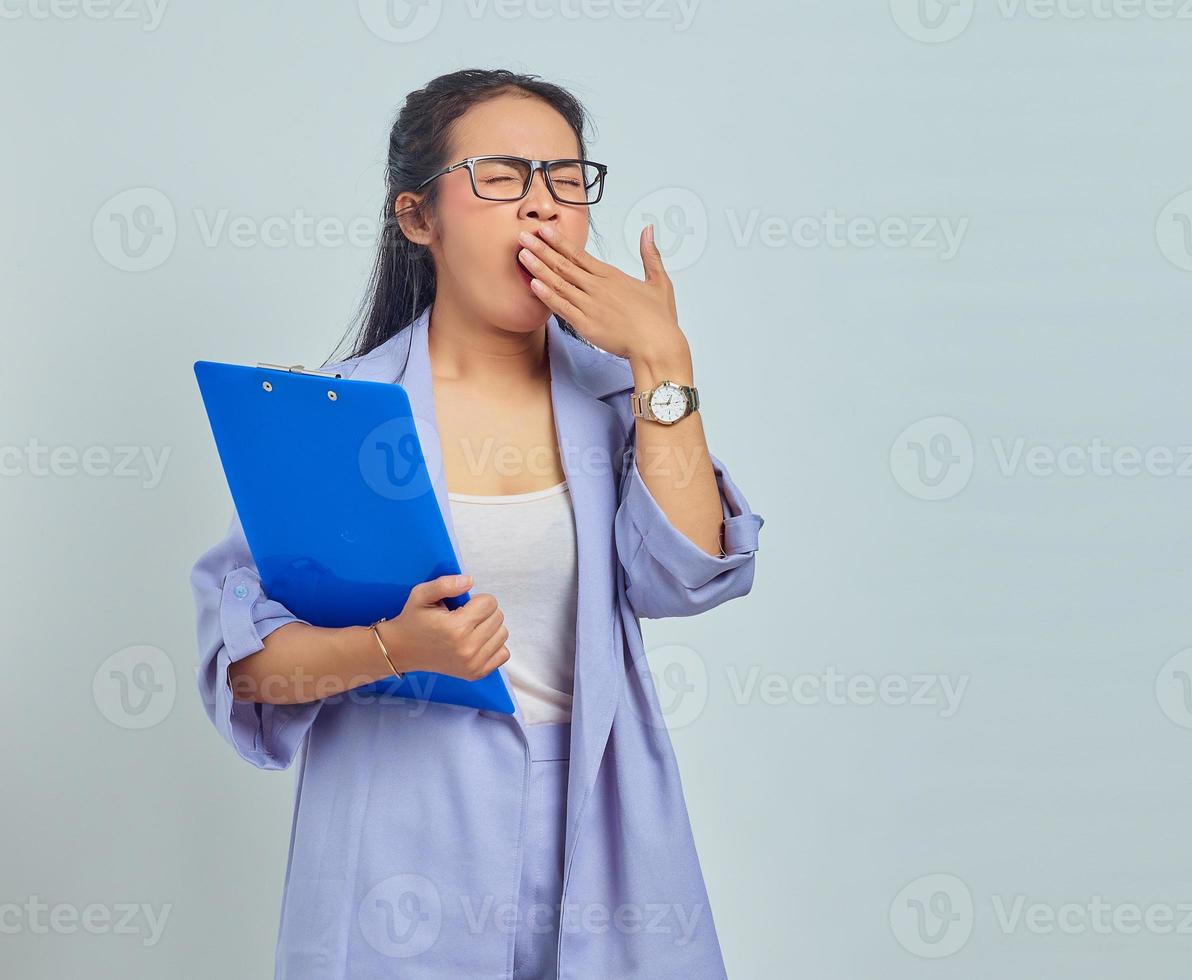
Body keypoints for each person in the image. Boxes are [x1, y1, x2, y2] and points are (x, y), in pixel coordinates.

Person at [188, 67, 765, 979]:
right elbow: (247, 673)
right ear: (419, 218)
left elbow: (687, 575)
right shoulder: (342, 416)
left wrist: (663, 357)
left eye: (566, 182)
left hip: (601, 839)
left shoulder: (624, 401)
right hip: (399, 849)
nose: (542, 208)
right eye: (502, 176)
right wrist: (393, 648)